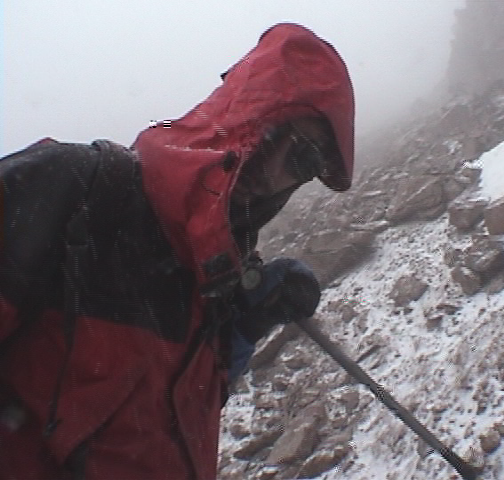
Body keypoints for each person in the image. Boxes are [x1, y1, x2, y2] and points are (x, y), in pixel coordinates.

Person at [0, 22, 354, 479]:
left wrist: (245, 328)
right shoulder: (66, 191)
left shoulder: (216, 280)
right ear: (240, 110)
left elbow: (170, 416)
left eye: (304, 160)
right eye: (271, 132)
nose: (272, 171)